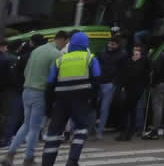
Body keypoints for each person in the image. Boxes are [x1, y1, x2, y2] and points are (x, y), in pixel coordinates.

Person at [2, 32, 65, 166]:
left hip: (27, 90)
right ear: (63, 40)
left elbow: (25, 71)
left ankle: (10, 154)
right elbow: (54, 78)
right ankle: (28, 158)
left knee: (26, 124)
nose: (65, 45)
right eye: (65, 42)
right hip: (40, 92)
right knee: (35, 128)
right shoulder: (56, 54)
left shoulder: (37, 50)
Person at [40, 31, 100, 166]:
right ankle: (72, 160)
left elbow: (49, 85)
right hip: (81, 100)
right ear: (86, 44)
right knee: (81, 128)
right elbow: (96, 82)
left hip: (61, 101)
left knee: (54, 133)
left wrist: (48, 108)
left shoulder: (60, 60)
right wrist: (94, 102)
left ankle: (47, 162)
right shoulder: (90, 58)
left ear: (71, 43)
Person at [94, 38, 125, 140]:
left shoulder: (120, 55)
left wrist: (115, 83)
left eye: (113, 44)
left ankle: (99, 131)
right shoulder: (103, 54)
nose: (110, 46)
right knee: (99, 108)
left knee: (103, 108)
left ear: (117, 45)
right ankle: (96, 130)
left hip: (109, 83)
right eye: (110, 44)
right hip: (102, 82)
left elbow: (121, 71)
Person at [116, 46, 149, 142]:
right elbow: (124, 73)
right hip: (129, 88)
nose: (136, 53)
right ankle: (129, 131)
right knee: (131, 109)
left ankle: (127, 131)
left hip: (136, 89)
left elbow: (144, 74)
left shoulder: (143, 62)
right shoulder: (128, 61)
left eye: (138, 51)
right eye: (135, 50)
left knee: (128, 109)